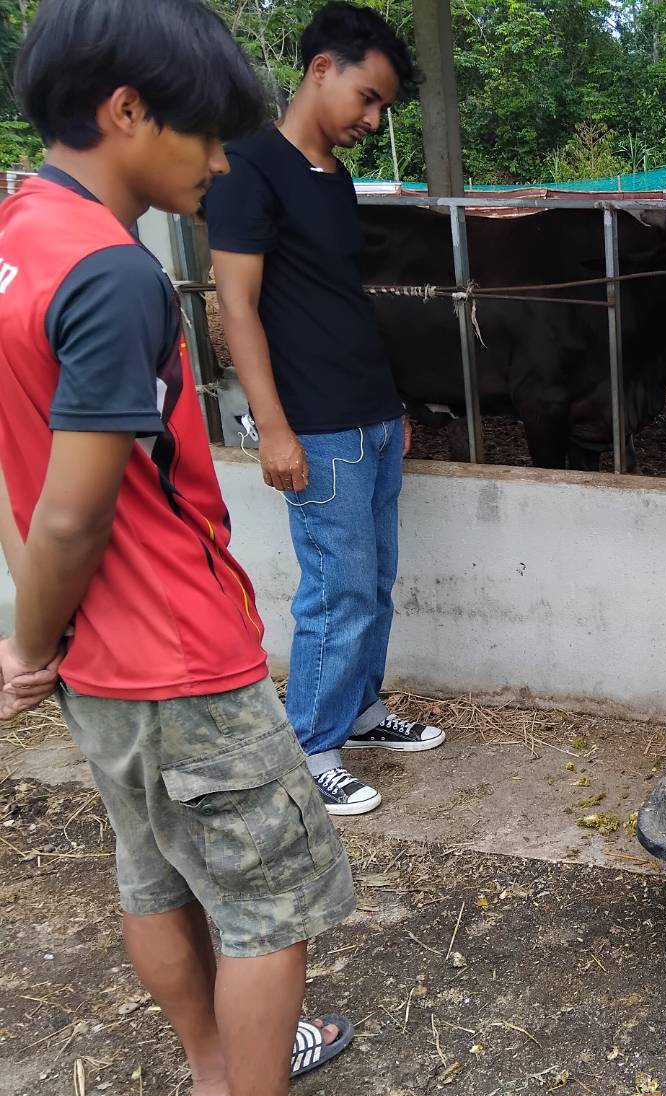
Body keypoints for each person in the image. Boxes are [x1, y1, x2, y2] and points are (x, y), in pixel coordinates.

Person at [0, 2, 358, 1096]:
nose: (218, 161)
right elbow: (73, 515)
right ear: (124, 111)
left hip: (101, 663)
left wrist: (46, 634)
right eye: (204, 135)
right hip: (181, 657)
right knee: (270, 904)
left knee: (153, 874)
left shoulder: (16, 237)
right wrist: (21, 645)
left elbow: (23, 472)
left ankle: (213, 1078)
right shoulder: (115, 275)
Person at [205, 3, 441, 817]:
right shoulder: (248, 169)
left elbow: (342, 301)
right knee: (336, 589)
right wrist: (273, 426)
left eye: (382, 106)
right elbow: (236, 307)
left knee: (374, 578)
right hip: (315, 422)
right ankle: (310, 745)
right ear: (320, 70)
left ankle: (362, 712)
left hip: (368, 413)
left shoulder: (330, 178)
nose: (371, 120)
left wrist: (392, 404)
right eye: (367, 98)